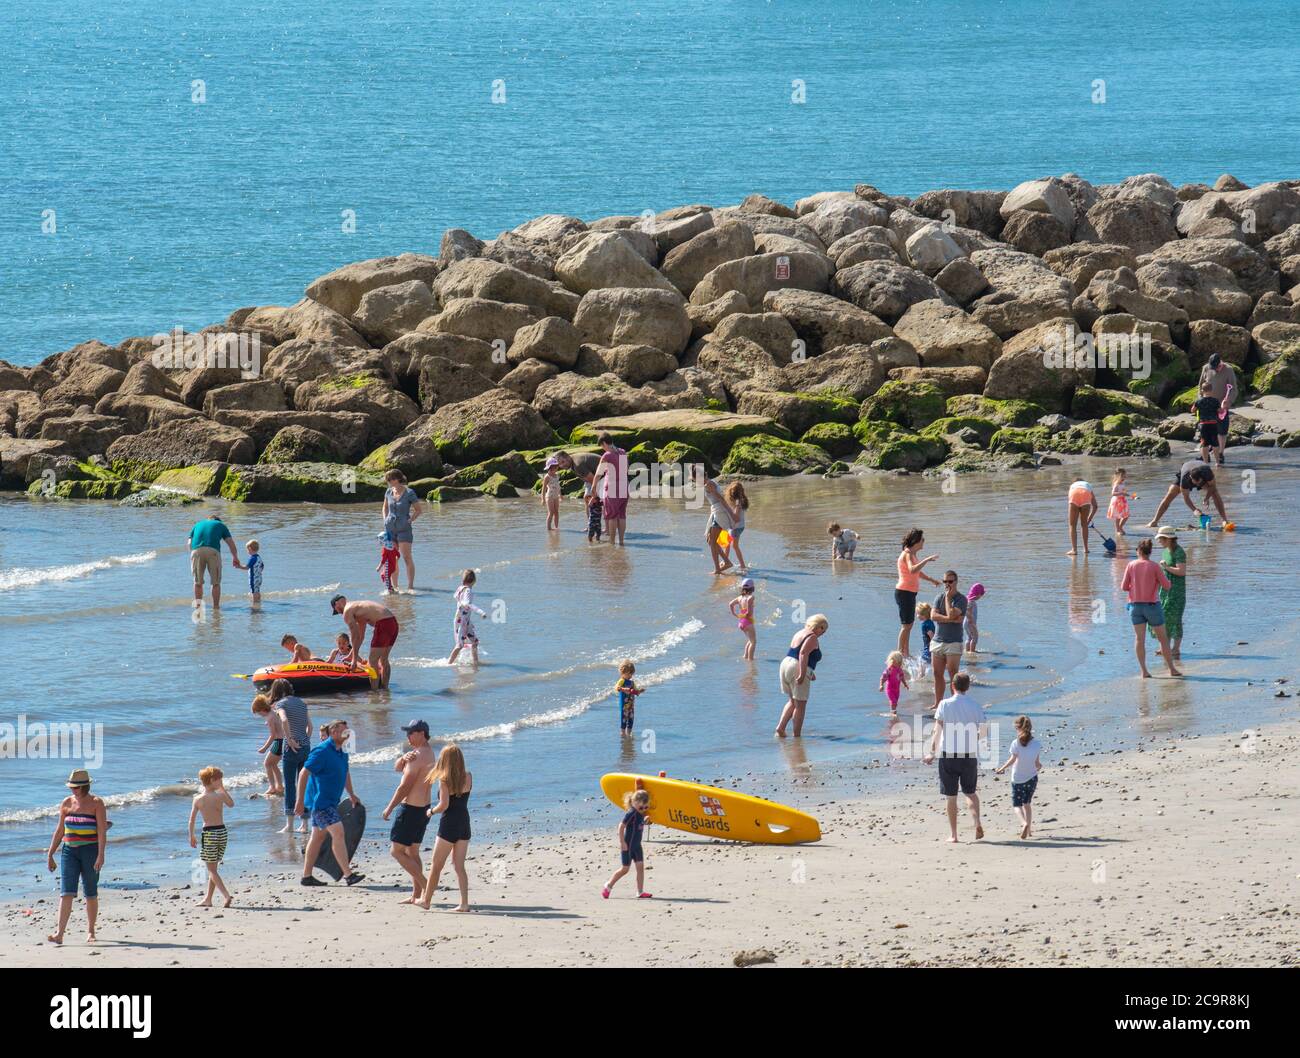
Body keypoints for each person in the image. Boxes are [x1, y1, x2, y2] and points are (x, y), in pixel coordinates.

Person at [297, 719, 364, 886]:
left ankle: (306, 876)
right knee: (338, 833)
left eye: (348, 730)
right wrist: (299, 801)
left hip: (332, 802)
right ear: (333, 732)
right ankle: (348, 875)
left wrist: (351, 794)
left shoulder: (342, 751)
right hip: (321, 803)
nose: (348, 733)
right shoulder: (321, 751)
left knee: (317, 838)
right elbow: (304, 773)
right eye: (344, 731)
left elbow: (345, 772)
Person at [45, 769, 107, 945]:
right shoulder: (66, 803)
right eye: (71, 787)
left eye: (76, 788)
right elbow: (59, 831)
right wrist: (50, 854)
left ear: (85, 786)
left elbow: (102, 832)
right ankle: (60, 933)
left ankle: (91, 931)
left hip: (90, 851)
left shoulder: (97, 803)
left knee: (90, 892)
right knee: (66, 893)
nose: (73, 790)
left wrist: (101, 855)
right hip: (69, 852)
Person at [922, 672, 986, 843]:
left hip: (948, 755)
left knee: (951, 796)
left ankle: (954, 835)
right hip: (969, 755)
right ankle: (977, 822)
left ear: (952, 686)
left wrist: (931, 753)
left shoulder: (944, 704)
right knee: (970, 793)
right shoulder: (975, 706)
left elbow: (937, 731)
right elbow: (984, 731)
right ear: (968, 687)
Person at [382, 719, 435, 904]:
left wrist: (389, 808)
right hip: (424, 808)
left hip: (411, 809)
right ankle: (417, 895)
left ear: (421, 733)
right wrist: (403, 758)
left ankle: (426, 886)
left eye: (411, 733)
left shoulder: (419, 755)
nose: (408, 737)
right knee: (413, 852)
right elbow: (398, 768)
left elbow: (404, 786)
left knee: (396, 851)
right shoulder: (427, 753)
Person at [418, 744, 472, 912]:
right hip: (464, 822)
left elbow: (444, 805)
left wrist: (430, 811)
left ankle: (426, 900)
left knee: (436, 865)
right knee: (459, 865)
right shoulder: (468, 776)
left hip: (449, 825)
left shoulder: (444, 780)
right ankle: (464, 903)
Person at [1121, 538, 1182, 678]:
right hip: (1152, 606)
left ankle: (1144, 671)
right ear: (1150, 552)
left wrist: (1135, 586)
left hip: (1135, 606)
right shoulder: (1155, 566)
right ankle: (1172, 669)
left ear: (1138, 551)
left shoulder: (1131, 565)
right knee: (1163, 639)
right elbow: (1167, 586)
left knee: (1139, 639)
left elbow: (1124, 587)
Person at [189, 766, 234, 907]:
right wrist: (223, 789)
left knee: (211, 869)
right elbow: (231, 804)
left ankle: (226, 896)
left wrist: (191, 835)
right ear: (213, 780)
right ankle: (208, 899)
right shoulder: (220, 795)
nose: (221, 782)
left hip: (209, 834)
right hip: (222, 832)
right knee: (213, 869)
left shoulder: (198, 799)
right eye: (220, 780)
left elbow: (191, 820)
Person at [270, 679, 311, 833]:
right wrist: (304, 740)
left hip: (291, 748)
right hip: (306, 746)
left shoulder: (281, 704)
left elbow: (285, 720)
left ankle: (290, 825)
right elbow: (310, 726)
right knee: (303, 784)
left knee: (290, 785)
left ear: (277, 691)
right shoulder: (302, 703)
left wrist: (289, 740)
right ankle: (305, 825)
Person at [776, 614, 828, 738]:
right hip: (796, 667)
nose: (823, 633)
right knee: (801, 705)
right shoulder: (812, 637)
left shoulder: (800, 633)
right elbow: (803, 653)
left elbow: (796, 654)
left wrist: (810, 672)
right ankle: (797, 736)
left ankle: (781, 728)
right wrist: (802, 673)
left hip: (786, 664)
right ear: (819, 627)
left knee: (792, 701)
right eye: (824, 630)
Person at [331, 595, 399, 688]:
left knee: (372, 660)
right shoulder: (358, 607)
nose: (339, 613)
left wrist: (354, 661)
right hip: (393, 622)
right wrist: (350, 656)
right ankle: (385, 691)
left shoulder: (347, 611)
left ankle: (374, 694)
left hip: (383, 623)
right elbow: (360, 637)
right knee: (383, 659)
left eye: (336, 611)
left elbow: (355, 636)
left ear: (336, 604)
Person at [994, 715, 1043, 839]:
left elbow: (1013, 759)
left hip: (1017, 779)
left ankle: (1024, 823)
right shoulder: (1037, 744)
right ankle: (1030, 830)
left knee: (1017, 805)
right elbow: (1037, 764)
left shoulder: (1015, 743)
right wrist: (1038, 766)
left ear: (1018, 728)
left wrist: (1001, 768)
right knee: (1027, 804)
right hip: (1032, 778)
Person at [895, 529, 941, 657]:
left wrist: (931, 580)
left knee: (909, 625)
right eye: (922, 539)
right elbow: (912, 569)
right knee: (906, 625)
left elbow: (918, 572)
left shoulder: (912, 554)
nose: (923, 542)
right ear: (916, 541)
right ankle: (899, 654)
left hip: (909, 593)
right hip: (904, 592)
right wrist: (927, 559)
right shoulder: (908, 553)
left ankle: (905, 653)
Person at [1146, 459, 1228, 528]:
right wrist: (1194, 510)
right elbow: (1186, 498)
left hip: (1201, 468)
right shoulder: (1185, 478)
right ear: (1191, 478)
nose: (1196, 485)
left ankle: (1225, 520)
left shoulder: (1207, 472)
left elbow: (1213, 486)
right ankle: (1154, 521)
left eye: (1198, 482)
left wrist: (1206, 498)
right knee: (1170, 494)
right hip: (1185, 469)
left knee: (1215, 493)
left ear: (1202, 478)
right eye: (1195, 483)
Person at [602, 790, 652, 900]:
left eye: (645, 808)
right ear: (634, 803)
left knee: (640, 868)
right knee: (625, 869)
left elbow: (638, 825)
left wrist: (645, 821)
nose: (643, 810)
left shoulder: (640, 813)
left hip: (637, 846)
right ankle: (608, 885)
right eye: (641, 808)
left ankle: (640, 891)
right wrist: (622, 842)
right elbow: (621, 826)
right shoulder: (631, 813)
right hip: (628, 845)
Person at [381, 470, 424, 591]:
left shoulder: (409, 493)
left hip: (404, 530)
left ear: (396, 479)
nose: (388, 482)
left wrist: (410, 520)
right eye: (387, 480)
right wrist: (385, 519)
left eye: (390, 480)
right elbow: (384, 507)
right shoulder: (388, 492)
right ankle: (395, 586)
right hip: (389, 530)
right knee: (393, 559)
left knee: (406, 557)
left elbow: (418, 510)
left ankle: (410, 586)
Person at [930, 571, 967, 707]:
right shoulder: (938, 597)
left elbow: (952, 614)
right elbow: (933, 616)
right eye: (945, 581)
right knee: (937, 673)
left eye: (950, 582)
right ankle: (937, 703)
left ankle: (954, 703)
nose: (947, 584)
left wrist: (948, 599)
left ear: (956, 582)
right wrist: (949, 619)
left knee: (953, 674)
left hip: (954, 641)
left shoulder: (961, 599)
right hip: (938, 640)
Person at [188, 513, 239, 610]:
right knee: (215, 583)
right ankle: (216, 607)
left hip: (196, 551)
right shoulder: (221, 525)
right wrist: (235, 557)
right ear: (218, 520)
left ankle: (198, 607)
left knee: (197, 582)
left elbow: (189, 543)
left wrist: (193, 554)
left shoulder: (197, 524)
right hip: (213, 551)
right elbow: (230, 543)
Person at [1152, 526, 1188, 662]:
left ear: (1168, 539)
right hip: (1165, 589)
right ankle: (1164, 646)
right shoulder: (1165, 552)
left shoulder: (1179, 552)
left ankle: (1175, 648)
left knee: (1175, 619)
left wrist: (1166, 567)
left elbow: (1182, 571)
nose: (1159, 541)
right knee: (1163, 617)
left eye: (1161, 539)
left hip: (1177, 591)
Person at [693, 464, 736, 574]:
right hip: (716, 512)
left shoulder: (709, 484)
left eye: (694, 479)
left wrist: (731, 513)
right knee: (709, 539)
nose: (694, 482)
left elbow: (721, 499)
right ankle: (724, 563)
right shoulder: (708, 483)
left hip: (720, 513)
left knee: (712, 541)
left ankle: (721, 566)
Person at [1199, 353, 1238, 464]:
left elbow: (1234, 389)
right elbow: (1200, 386)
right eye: (1213, 367)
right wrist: (1200, 400)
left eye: (1217, 367)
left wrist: (1228, 401)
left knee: (1222, 431)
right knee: (1206, 431)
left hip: (1221, 406)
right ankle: (1205, 456)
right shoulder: (1206, 368)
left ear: (1221, 362)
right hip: (1207, 406)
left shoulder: (1229, 370)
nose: (1215, 369)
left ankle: (1220, 454)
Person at [594, 433, 629, 545]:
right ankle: (622, 541)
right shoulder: (623, 452)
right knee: (622, 515)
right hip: (624, 486)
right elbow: (626, 469)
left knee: (612, 516)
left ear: (604, 443)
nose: (603, 449)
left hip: (613, 488)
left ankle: (612, 542)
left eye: (602, 446)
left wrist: (594, 487)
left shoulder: (607, 455)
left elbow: (598, 474)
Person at [448, 570, 487, 667]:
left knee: (474, 642)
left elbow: (455, 597)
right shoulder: (468, 590)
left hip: (465, 620)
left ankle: (475, 663)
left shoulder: (461, 588)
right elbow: (468, 604)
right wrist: (481, 612)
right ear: (474, 581)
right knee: (459, 645)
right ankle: (448, 663)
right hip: (461, 621)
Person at [251, 693, 285, 797]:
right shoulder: (273, 712)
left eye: (258, 712)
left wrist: (264, 748)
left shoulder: (269, 718)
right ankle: (279, 785)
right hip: (283, 741)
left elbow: (272, 735)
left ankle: (272, 787)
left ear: (262, 709)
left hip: (278, 742)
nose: (259, 715)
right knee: (273, 764)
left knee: (267, 764)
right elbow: (276, 720)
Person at [1192, 382, 1223, 466]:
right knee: (1215, 443)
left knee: (1204, 443)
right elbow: (1220, 411)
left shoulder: (1199, 401)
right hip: (1213, 423)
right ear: (1211, 390)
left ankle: (1205, 462)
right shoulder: (1215, 401)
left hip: (1203, 424)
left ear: (1202, 390)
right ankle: (1217, 462)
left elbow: (1192, 410)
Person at [721, 482, 750, 571]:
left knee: (732, 546)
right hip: (740, 526)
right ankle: (727, 561)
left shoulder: (737, 502)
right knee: (728, 544)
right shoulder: (741, 499)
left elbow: (736, 515)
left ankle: (742, 565)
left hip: (735, 527)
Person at [1066, 479, 1099, 556]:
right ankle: (1086, 549)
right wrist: (1089, 518)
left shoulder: (1072, 486)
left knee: (1072, 525)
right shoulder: (1088, 485)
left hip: (1074, 494)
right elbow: (1095, 506)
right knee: (1084, 525)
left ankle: (1074, 550)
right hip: (1086, 493)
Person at [729, 578, 757, 660]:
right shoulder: (751, 598)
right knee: (753, 642)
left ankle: (745, 656)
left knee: (750, 640)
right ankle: (750, 659)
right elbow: (749, 613)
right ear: (753, 588)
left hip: (741, 622)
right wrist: (747, 614)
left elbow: (730, 604)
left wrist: (735, 614)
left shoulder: (740, 598)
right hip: (748, 622)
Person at [233, 538, 264, 608]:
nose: (247, 551)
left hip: (254, 578)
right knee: (257, 590)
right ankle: (258, 601)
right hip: (259, 577)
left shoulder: (252, 558)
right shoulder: (259, 557)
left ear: (250, 549)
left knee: (254, 591)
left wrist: (239, 566)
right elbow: (262, 566)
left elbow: (247, 567)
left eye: (247, 549)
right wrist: (258, 572)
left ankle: (255, 603)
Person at [879, 650, 908, 716]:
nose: (900, 664)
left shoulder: (899, 670)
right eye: (899, 662)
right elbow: (883, 678)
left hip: (897, 690)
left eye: (901, 662)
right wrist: (881, 685)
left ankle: (893, 711)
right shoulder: (889, 670)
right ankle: (893, 712)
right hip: (890, 690)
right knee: (893, 701)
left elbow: (902, 677)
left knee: (895, 702)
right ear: (893, 661)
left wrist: (905, 684)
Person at [616, 660, 642, 733]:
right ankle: (623, 733)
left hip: (631, 705)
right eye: (629, 674)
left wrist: (639, 691)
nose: (630, 676)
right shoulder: (622, 681)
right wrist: (623, 689)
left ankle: (629, 733)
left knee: (631, 719)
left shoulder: (632, 682)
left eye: (631, 674)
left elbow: (635, 691)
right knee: (624, 719)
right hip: (624, 705)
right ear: (622, 673)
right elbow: (617, 688)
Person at [1107, 469, 1131, 537]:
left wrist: (1127, 494)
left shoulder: (1122, 483)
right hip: (1117, 501)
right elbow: (1113, 493)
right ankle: (1118, 530)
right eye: (1123, 476)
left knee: (1126, 516)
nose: (1124, 478)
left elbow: (1123, 491)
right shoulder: (1116, 484)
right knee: (1118, 517)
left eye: (1125, 476)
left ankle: (1120, 527)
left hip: (1123, 501)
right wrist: (1121, 493)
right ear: (1118, 476)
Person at [964, 582, 985, 654]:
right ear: (978, 594)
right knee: (975, 637)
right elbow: (968, 611)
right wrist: (972, 623)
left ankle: (967, 651)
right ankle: (972, 652)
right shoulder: (971, 602)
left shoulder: (968, 600)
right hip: (970, 622)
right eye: (981, 595)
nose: (980, 597)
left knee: (969, 637)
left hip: (966, 623)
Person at [582, 470, 603, 541]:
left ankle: (598, 540)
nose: (592, 499)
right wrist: (593, 497)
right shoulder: (591, 505)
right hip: (592, 523)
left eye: (594, 499)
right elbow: (589, 503)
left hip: (598, 523)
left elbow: (604, 503)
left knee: (598, 534)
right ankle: (590, 542)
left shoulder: (599, 504)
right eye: (590, 498)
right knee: (590, 534)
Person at [917, 602, 936, 678]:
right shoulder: (930, 622)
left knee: (922, 663)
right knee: (923, 664)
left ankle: (919, 679)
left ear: (923, 615)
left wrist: (933, 646)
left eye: (917, 614)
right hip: (930, 649)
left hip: (928, 649)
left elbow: (931, 635)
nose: (917, 615)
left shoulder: (925, 624)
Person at [541, 462, 562, 530]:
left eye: (557, 467)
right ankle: (549, 528)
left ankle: (556, 527)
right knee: (551, 512)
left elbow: (558, 486)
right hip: (549, 496)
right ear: (551, 467)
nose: (557, 468)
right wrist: (543, 499)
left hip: (556, 496)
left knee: (556, 512)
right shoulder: (547, 477)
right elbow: (543, 488)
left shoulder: (557, 475)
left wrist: (560, 495)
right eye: (556, 467)